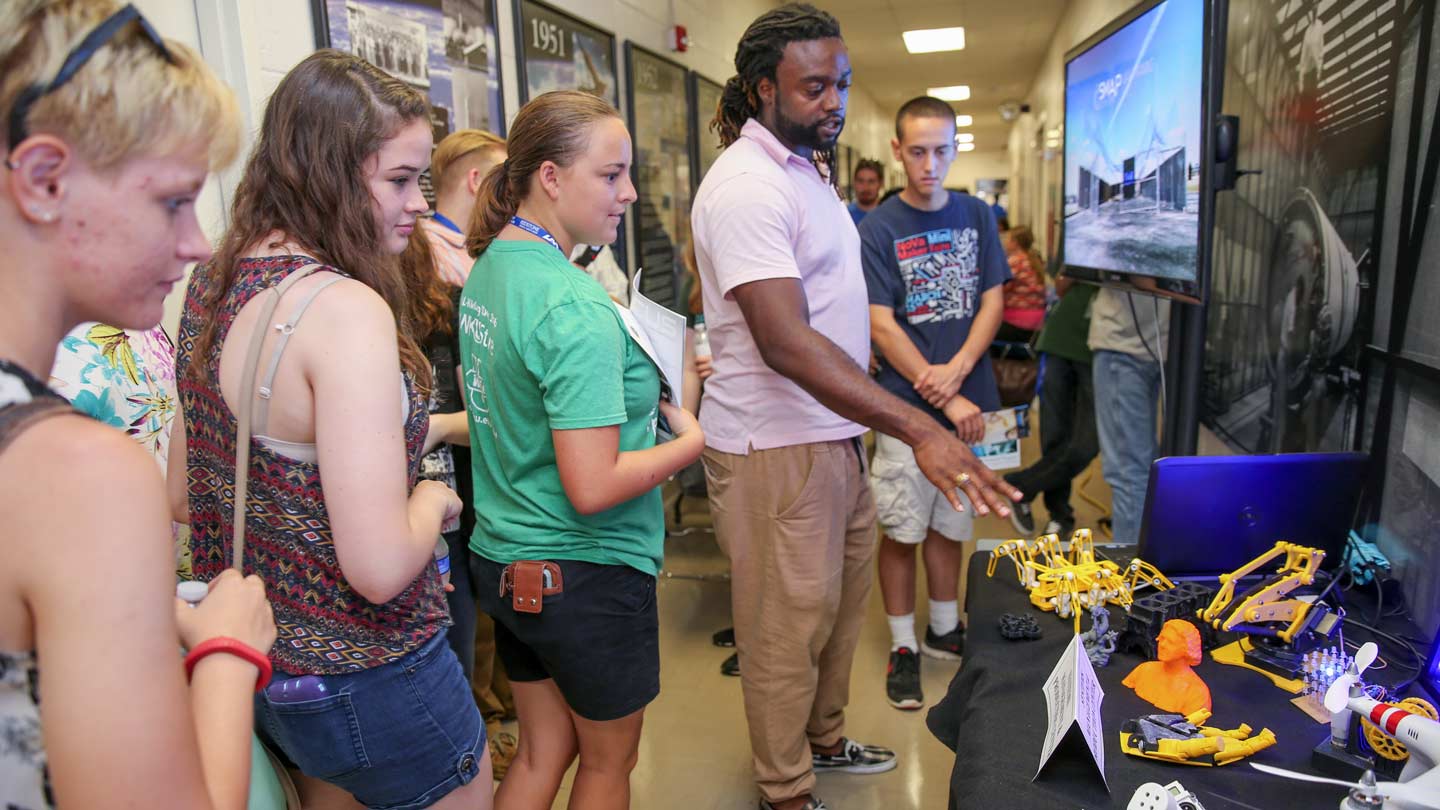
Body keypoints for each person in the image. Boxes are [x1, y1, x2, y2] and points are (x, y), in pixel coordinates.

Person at [694, 8, 1021, 810]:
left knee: (839, 616)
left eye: (840, 82)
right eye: (814, 87)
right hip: (775, 450)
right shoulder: (745, 184)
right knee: (783, 635)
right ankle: (786, 789)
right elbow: (785, 341)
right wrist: (917, 424)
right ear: (762, 88)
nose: (834, 101)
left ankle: (825, 742)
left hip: (834, 436)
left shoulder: (807, 168)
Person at [175, 50, 493, 809]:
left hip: (265, 669)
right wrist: (431, 505)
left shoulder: (211, 285)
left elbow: (189, 497)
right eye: (398, 180)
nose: (419, 203)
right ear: (326, 170)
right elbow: (380, 567)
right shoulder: (344, 310)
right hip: (378, 671)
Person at [0, 3, 276, 808]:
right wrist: (228, 649)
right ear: (46, 180)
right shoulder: (79, 473)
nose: (196, 243)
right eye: (171, 202)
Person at [460, 90, 705, 810]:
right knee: (608, 762)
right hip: (584, 572)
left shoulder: (494, 269)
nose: (629, 192)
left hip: (507, 559)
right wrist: (687, 443)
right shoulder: (573, 304)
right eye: (611, 174)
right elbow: (593, 485)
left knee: (543, 750)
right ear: (551, 177)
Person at [859, 96, 1009, 711]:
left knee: (954, 523)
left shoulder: (977, 214)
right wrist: (937, 390)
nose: (929, 163)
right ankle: (903, 645)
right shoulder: (879, 227)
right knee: (902, 528)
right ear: (898, 150)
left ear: (954, 149)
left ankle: (945, 630)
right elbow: (880, 323)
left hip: (972, 401)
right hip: (906, 412)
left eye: (940, 150)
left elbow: (993, 300)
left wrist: (959, 372)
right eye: (916, 151)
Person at [418, 127, 521, 777]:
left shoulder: (474, 255)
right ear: (480, 183)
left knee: (482, 620)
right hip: (445, 469)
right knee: (461, 629)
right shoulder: (432, 261)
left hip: (468, 464)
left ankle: (490, 729)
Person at [1004, 276, 1099, 539]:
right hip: (1061, 337)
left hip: (1104, 347)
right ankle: (1059, 515)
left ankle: (1019, 486)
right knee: (1055, 436)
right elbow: (1061, 284)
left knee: (1085, 444)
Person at [1089, 287, 1169, 544]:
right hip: (1152, 346)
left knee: (1129, 472)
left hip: (1125, 345)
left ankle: (1130, 574)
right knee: (1139, 468)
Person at [424, 128, 506, 287]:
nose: (512, 194)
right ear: (475, 180)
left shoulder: (472, 250)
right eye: (503, 181)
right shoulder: (431, 256)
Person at [997, 225, 1047, 343]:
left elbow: (998, 289)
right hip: (1037, 325)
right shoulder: (1034, 260)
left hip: (1017, 324)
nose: (1004, 243)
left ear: (1014, 242)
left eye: (1007, 239)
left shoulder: (1015, 261)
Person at [847, 158, 882, 224]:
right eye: (860, 181)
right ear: (854, 182)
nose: (866, 187)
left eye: (871, 181)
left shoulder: (888, 216)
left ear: (880, 184)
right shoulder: (846, 216)